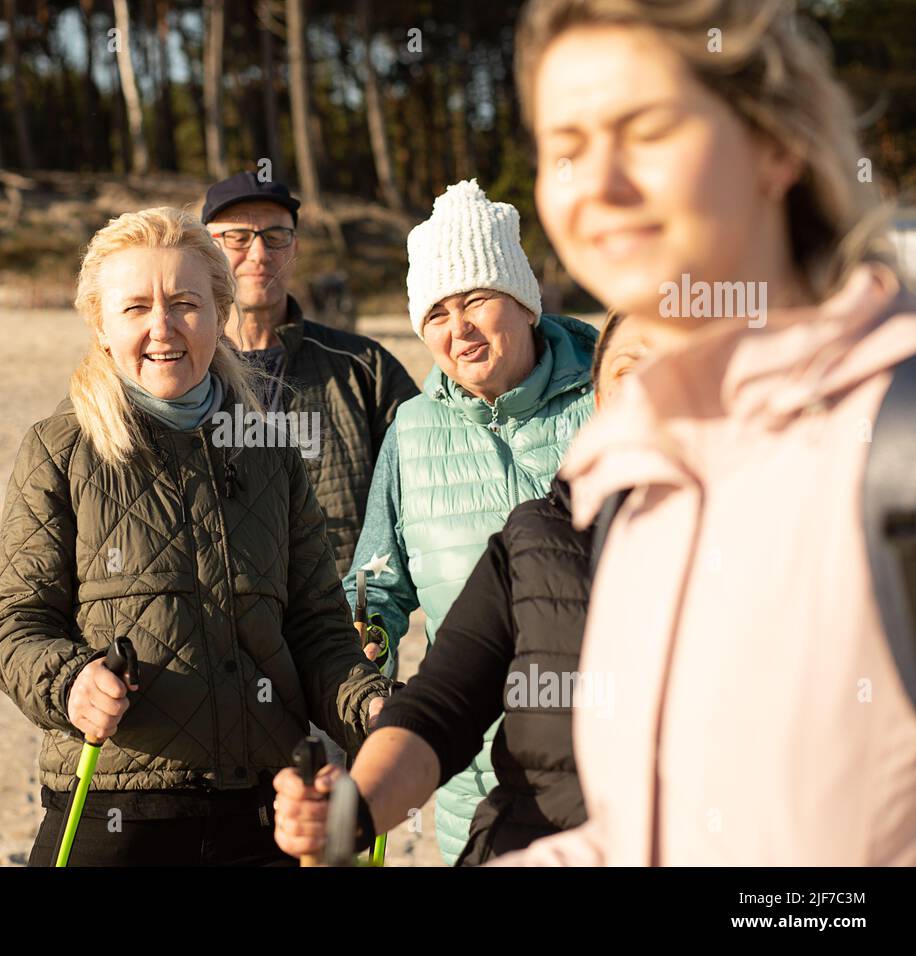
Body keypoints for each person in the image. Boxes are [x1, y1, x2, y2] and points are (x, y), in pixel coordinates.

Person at [500, 0, 916, 864]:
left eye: (646, 130)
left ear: (775, 144)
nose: (598, 184)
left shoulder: (896, 440)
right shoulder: (641, 480)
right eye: (564, 148)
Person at [0, 206, 393, 867]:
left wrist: (369, 704)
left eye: (185, 303)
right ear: (101, 326)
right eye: (136, 307)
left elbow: (318, 627)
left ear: (220, 312)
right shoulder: (59, 450)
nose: (163, 327)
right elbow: (15, 628)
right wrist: (72, 682)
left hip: (267, 800)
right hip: (115, 799)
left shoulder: (269, 451)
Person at [271, 312, 683, 864]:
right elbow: (440, 706)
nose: (662, 391)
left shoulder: (795, 539)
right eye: (632, 372)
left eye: (683, 366)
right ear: (603, 400)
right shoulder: (535, 541)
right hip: (520, 828)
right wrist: (353, 808)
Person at [341, 179, 598, 863]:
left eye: (476, 301)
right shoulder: (413, 432)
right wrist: (371, 638)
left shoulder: (609, 396)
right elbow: (378, 581)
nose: (457, 331)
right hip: (471, 779)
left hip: (609, 761)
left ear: (522, 301)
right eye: (436, 313)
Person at [202, 172, 418, 574]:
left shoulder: (362, 367)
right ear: (207, 251)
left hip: (342, 618)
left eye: (276, 235)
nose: (259, 253)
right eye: (237, 237)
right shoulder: (181, 373)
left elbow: (426, 478)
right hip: (223, 623)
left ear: (295, 247)